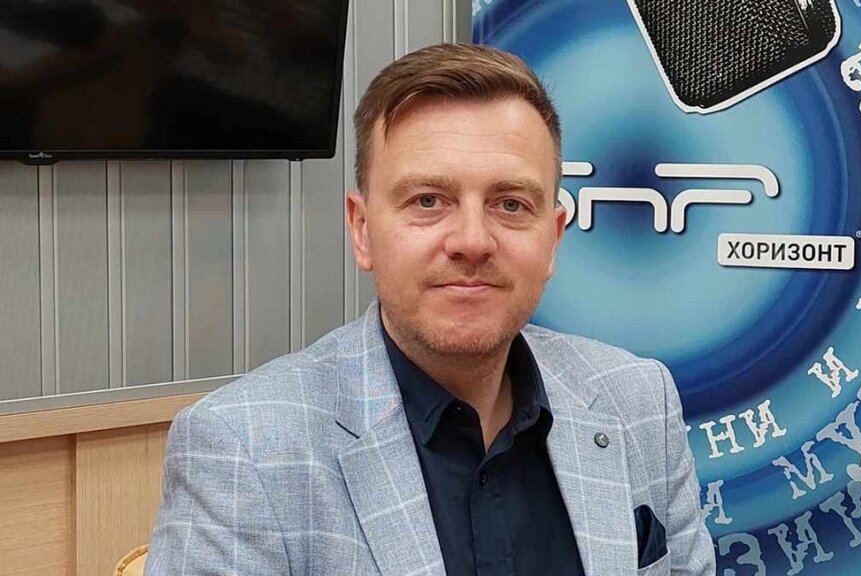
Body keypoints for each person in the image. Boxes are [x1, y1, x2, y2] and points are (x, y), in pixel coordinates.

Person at [146, 43, 715, 576]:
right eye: (428, 200)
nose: (472, 241)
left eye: (510, 204)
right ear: (362, 230)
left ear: (553, 238)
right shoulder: (246, 448)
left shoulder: (638, 402)